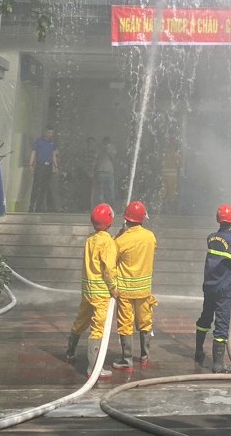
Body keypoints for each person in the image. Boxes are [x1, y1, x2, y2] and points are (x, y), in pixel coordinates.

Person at [65, 203, 119, 379]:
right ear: (109, 221)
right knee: (98, 328)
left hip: (87, 290)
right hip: (101, 292)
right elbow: (109, 269)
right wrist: (114, 288)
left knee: (81, 320)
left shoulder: (91, 239)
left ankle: (70, 352)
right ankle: (94, 368)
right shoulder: (108, 243)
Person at [194, 204, 231, 373]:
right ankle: (218, 363)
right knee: (221, 323)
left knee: (205, 318)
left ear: (218, 219)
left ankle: (198, 351)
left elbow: (222, 245)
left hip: (209, 285)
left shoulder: (211, 238)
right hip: (223, 289)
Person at [112, 200, 158, 372]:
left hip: (124, 290)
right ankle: (144, 357)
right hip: (144, 290)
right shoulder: (150, 236)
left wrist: (118, 235)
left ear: (126, 219)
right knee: (145, 322)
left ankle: (127, 360)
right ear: (142, 219)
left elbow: (112, 258)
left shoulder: (121, 240)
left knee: (125, 324)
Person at [28, 126, 60, 212]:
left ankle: (39, 206)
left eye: (52, 133)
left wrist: (56, 166)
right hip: (40, 166)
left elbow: (53, 155)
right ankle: (31, 206)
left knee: (44, 187)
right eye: (49, 133)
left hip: (48, 166)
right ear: (45, 132)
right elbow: (33, 152)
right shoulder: (39, 141)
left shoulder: (52, 143)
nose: (50, 135)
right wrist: (30, 164)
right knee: (36, 186)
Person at [94, 136, 116, 205]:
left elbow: (113, 158)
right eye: (105, 142)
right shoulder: (99, 149)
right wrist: (94, 170)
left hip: (110, 171)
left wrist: (108, 151)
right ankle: (101, 204)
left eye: (108, 142)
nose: (107, 144)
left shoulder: (113, 148)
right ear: (103, 142)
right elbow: (95, 160)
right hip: (101, 171)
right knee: (101, 190)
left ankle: (111, 205)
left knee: (111, 190)